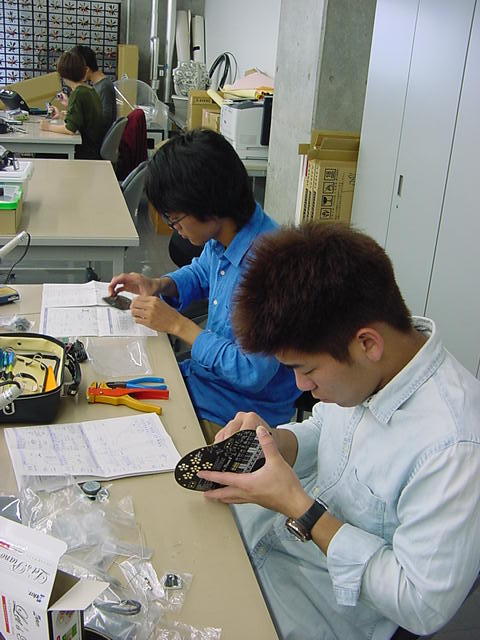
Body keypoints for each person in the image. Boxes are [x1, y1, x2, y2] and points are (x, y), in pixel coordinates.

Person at [196, 223, 480, 640]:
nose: (301, 386)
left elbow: (420, 605)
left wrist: (302, 509)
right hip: (261, 543)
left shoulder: (454, 447)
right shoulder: (368, 372)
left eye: (306, 369)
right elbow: (325, 428)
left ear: (367, 344)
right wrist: (275, 443)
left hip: (318, 607)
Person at [108, 129, 300, 443]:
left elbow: (251, 371)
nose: (175, 229)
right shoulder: (230, 231)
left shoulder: (273, 268)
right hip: (203, 383)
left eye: (175, 219)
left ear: (209, 205)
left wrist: (178, 325)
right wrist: (160, 284)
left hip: (237, 416)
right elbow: (201, 273)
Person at [40, 49, 104, 159]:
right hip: (94, 147)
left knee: (42, 153)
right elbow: (82, 119)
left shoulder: (78, 93)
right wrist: (62, 115)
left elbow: (70, 130)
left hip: (84, 150)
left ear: (62, 74)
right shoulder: (89, 90)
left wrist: (48, 127)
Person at [73, 45, 116, 133]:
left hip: (97, 139)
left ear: (86, 69)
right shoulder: (98, 85)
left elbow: (105, 121)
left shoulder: (104, 87)